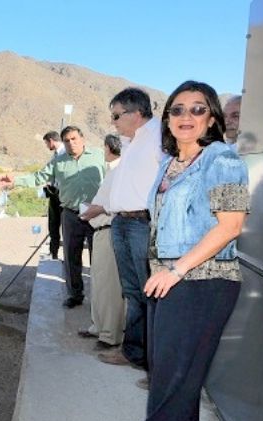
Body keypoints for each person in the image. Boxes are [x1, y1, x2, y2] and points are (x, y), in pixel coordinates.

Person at [114, 80, 249, 421]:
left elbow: (231, 225)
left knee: (173, 384)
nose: (185, 116)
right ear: (167, 119)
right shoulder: (169, 164)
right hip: (169, 281)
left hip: (202, 281)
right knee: (172, 382)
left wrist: (176, 270)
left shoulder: (222, 158)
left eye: (197, 108)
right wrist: (166, 272)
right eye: (177, 109)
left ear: (211, 119)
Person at [98, 87, 163, 371]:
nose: (113, 122)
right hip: (122, 222)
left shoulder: (160, 136)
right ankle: (134, 352)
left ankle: (154, 362)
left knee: (149, 293)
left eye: (116, 115)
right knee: (132, 291)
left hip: (142, 223)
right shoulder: (130, 141)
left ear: (136, 113)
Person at [3, 126, 105, 308]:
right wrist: (16, 181)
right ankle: (75, 295)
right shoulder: (58, 162)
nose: (71, 143)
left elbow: (114, 175)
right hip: (71, 215)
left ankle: (100, 299)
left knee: (98, 259)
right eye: (67, 141)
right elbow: (38, 177)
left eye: (74, 139)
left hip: (97, 215)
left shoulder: (99, 155)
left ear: (82, 139)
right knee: (71, 257)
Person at [78, 134, 125, 350]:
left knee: (109, 286)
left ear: (108, 148)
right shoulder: (113, 171)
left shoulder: (119, 171)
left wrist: (91, 211)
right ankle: (98, 326)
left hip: (109, 230)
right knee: (98, 283)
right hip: (100, 230)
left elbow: (112, 205)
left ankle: (109, 335)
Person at [42, 131, 65, 259]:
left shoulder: (64, 154)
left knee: (66, 228)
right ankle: (53, 253)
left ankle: (68, 257)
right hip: (54, 195)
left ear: (51, 140)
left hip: (64, 196)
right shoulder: (54, 156)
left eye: (46, 143)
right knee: (53, 225)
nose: (47, 146)